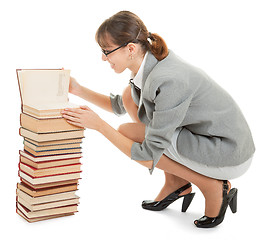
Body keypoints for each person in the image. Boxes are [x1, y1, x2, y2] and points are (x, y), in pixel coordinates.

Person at [61, 10, 255, 228]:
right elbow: (121, 104)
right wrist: (78, 90)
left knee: (128, 133)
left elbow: (148, 154)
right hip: (208, 138)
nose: (103, 58)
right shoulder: (149, 64)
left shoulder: (168, 80)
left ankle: (211, 185)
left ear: (130, 49)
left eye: (106, 51)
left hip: (228, 152)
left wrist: (99, 126)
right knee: (128, 97)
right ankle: (176, 182)